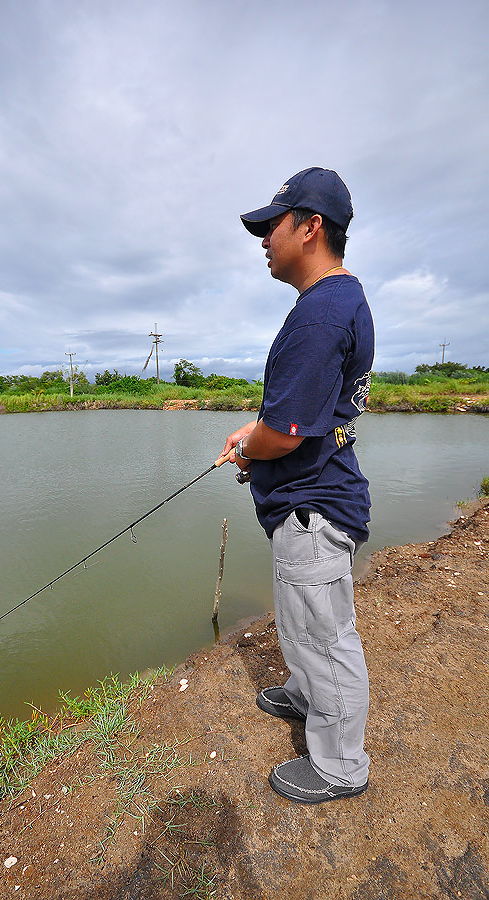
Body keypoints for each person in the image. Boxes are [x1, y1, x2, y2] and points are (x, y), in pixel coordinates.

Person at [218, 167, 374, 804]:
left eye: (270, 226)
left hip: (313, 504)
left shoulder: (319, 317)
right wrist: (255, 436)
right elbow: (297, 418)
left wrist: (250, 445)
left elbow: (282, 434)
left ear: (310, 228)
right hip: (307, 499)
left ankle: (341, 764)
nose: (262, 238)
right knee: (299, 619)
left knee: (325, 636)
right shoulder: (338, 302)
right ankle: (305, 695)